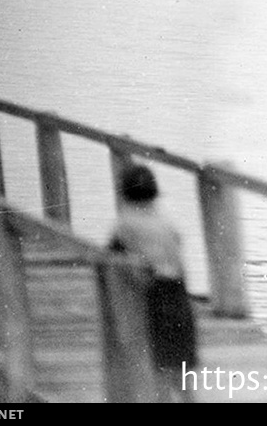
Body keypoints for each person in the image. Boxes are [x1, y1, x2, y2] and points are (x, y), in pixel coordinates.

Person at [109, 163, 198, 402]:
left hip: (154, 294)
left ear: (123, 194)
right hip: (178, 293)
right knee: (181, 371)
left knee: (158, 369)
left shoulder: (124, 223)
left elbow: (114, 256)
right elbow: (178, 251)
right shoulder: (166, 221)